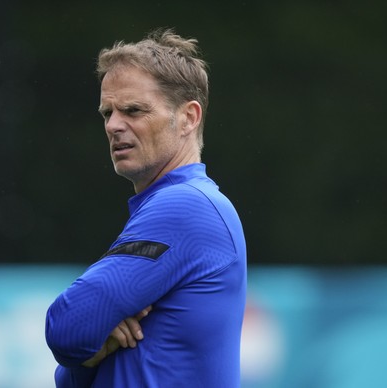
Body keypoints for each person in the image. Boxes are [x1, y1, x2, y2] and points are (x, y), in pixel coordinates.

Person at [45, 28, 247, 387]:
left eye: (133, 110)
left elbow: (66, 327)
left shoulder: (186, 206)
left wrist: (90, 334)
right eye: (107, 112)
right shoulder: (172, 205)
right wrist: (95, 349)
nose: (113, 125)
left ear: (188, 117)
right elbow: (70, 373)